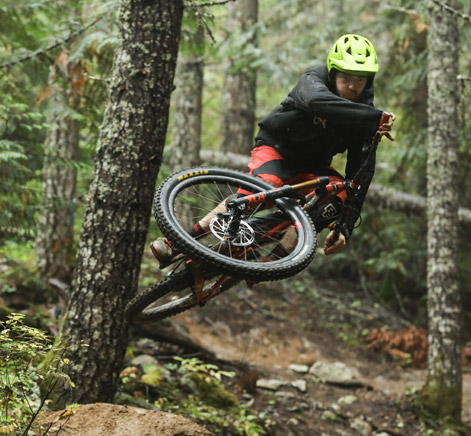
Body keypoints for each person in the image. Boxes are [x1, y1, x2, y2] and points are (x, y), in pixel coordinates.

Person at [151, 33, 395, 265]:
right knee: (263, 185)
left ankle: (273, 263)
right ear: (333, 73)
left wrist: (344, 228)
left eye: (360, 80)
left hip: (314, 166)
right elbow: (318, 103)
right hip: (276, 149)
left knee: (339, 196)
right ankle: (176, 244)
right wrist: (374, 118)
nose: (353, 87)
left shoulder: (367, 117)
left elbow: (360, 175)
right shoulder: (314, 81)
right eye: (346, 79)